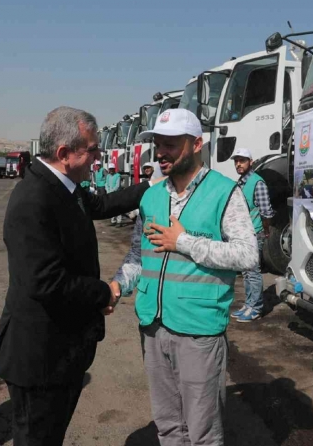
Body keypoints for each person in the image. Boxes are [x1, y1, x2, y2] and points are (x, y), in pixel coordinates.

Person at [0, 106, 151, 446]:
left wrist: (150, 187)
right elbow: (45, 282)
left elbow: (100, 206)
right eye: (92, 149)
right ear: (64, 153)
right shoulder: (33, 200)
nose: (98, 157)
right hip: (40, 358)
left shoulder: (63, 185)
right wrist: (105, 293)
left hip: (60, 353)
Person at [112, 109, 257, 446]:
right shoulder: (151, 196)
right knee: (168, 426)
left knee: (203, 431)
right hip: (152, 324)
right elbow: (138, 254)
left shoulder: (224, 192)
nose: (160, 152)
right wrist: (118, 284)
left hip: (198, 329)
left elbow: (248, 254)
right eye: (157, 144)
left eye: (170, 145)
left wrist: (185, 242)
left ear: (196, 144)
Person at [229, 148, 275, 322]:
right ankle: (249, 304)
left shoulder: (257, 183)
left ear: (251, 161)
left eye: (242, 160)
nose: (238, 164)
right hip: (244, 234)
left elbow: (266, 212)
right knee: (247, 272)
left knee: (253, 271)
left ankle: (255, 308)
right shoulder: (241, 182)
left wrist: (265, 231)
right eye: (236, 161)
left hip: (255, 233)